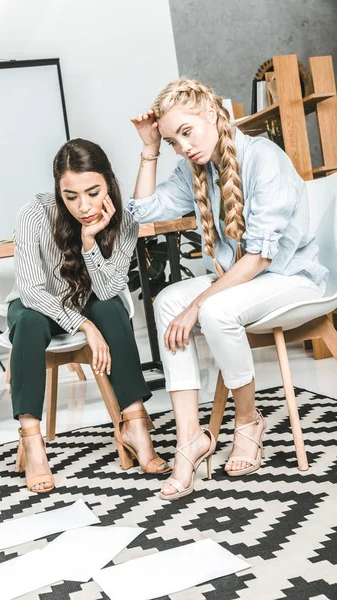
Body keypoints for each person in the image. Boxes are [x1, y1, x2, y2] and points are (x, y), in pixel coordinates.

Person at [128, 79, 328, 501]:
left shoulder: (264, 159)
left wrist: (198, 305)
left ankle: (248, 421)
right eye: (173, 141)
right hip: (247, 278)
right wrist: (150, 148)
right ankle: (190, 440)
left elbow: (259, 257)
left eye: (186, 132)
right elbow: (142, 213)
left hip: (291, 277)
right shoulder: (195, 169)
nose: (182, 147)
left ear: (210, 113)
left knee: (215, 310)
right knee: (167, 302)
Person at [6, 138, 171, 493]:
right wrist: (84, 325)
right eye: (71, 196)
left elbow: (109, 290)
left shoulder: (125, 222)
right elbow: (33, 291)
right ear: (58, 191)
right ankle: (33, 442)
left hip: (86, 301)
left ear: (108, 182)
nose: (83, 206)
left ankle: (135, 426)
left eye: (93, 192)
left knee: (111, 308)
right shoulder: (34, 214)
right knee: (31, 322)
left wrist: (90, 243)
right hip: (38, 305)